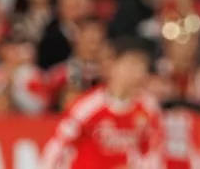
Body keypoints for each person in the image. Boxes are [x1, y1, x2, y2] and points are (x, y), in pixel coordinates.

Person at [40, 37, 162, 169]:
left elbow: (152, 153)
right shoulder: (88, 105)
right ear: (113, 65)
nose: (137, 73)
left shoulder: (149, 107)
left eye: (142, 67)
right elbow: (58, 145)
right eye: (131, 65)